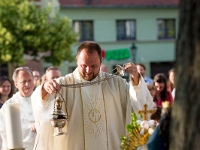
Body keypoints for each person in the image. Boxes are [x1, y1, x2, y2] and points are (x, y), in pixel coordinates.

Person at [32, 41, 155, 150]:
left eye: (93, 66)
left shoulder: (116, 83)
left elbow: (138, 105)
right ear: (77, 61)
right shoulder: (64, 84)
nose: (88, 70)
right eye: (83, 66)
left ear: (101, 61)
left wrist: (136, 79)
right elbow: (39, 102)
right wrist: (44, 88)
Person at [0, 67, 36, 150]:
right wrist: (30, 127)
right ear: (16, 84)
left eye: (29, 80)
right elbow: (5, 132)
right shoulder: (9, 106)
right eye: (23, 81)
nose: (27, 84)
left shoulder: (42, 100)